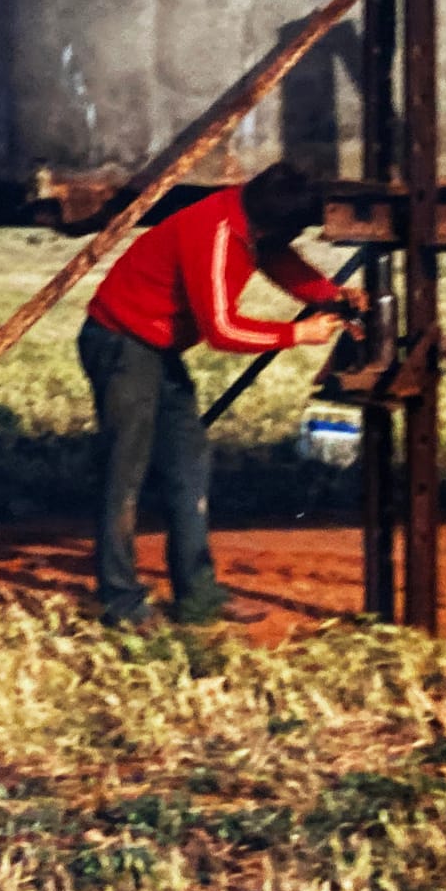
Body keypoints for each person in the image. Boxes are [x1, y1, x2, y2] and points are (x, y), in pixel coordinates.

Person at [78, 161, 360, 628]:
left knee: (188, 464)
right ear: (272, 224)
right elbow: (223, 330)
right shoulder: (215, 234)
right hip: (120, 342)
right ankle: (119, 602)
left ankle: (199, 597)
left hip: (155, 346)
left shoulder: (248, 216)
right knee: (125, 471)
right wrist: (297, 334)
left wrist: (330, 295)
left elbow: (276, 257)